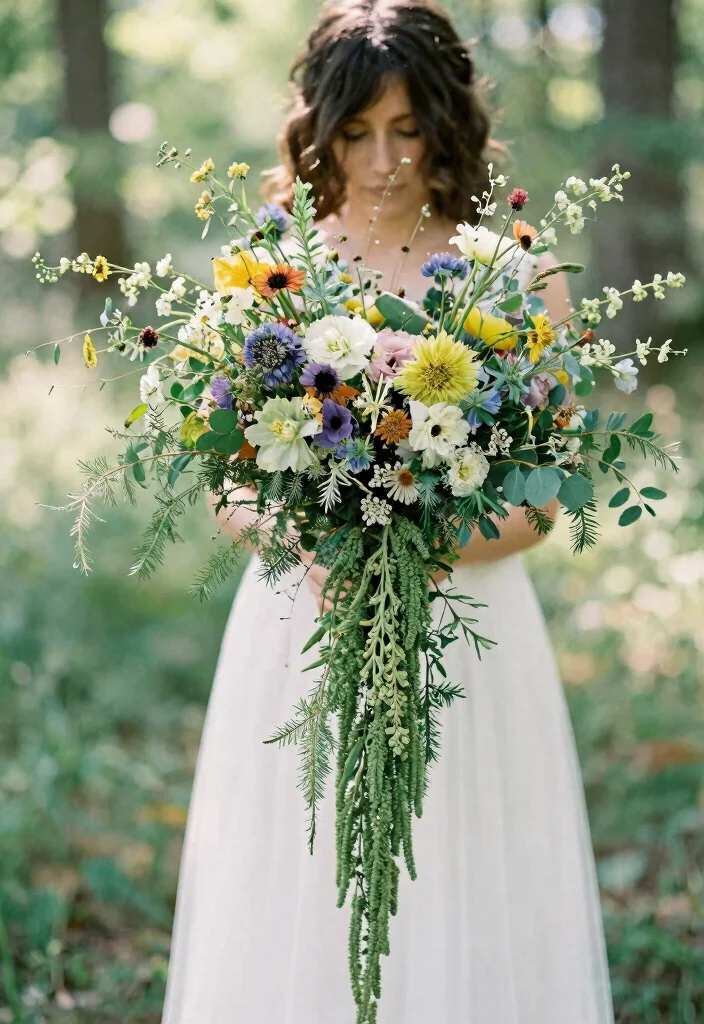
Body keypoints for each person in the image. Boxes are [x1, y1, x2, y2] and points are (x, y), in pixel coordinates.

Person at [161, 2, 615, 1021]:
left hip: (468, 628)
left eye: (404, 129)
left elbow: (549, 487)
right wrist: (303, 547)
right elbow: (226, 471)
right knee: (300, 871)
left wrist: (430, 551)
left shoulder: (511, 275)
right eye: (357, 132)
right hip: (302, 621)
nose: (379, 161)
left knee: (467, 872)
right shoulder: (271, 272)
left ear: (443, 124)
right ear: (317, 130)